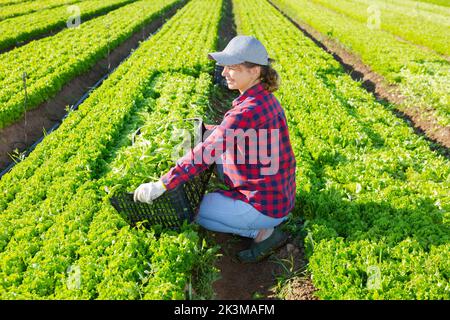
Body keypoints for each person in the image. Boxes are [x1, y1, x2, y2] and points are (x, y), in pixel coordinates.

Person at [134, 35, 297, 263]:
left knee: (192, 210)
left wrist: (162, 184)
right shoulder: (263, 98)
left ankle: (262, 233)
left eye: (232, 68)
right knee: (212, 139)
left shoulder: (245, 111)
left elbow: (206, 152)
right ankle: (258, 225)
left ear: (254, 71)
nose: (223, 73)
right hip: (278, 194)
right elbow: (227, 135)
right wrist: (207, 131)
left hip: (262, 204)